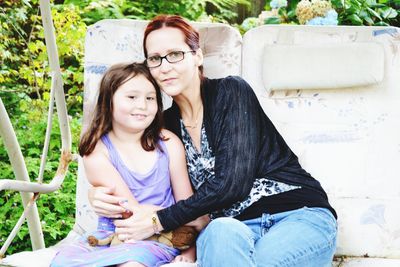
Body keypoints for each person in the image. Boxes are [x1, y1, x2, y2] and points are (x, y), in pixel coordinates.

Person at [89, 15, 338, 267]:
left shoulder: (232, 92)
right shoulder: (161, 127)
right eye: (155, 58)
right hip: (228, 229)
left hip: (295, 214)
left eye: (175, 54)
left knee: (263, 262)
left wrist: (158, 221)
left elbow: (232, 183)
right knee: (220, 232)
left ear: (197, 56)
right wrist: (97, 192)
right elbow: (139, 173)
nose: (165, 67)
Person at [51, 62, 198, 267]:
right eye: (131, 97)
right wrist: (164, 211)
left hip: (160, 235)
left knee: (131, 264)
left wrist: (190, 252)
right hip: (114, 235)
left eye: (150, 98)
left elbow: (190, 209)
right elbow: (132, 213)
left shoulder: (168, 143)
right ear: (108, 102)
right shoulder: (98, 151)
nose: (142, 105)